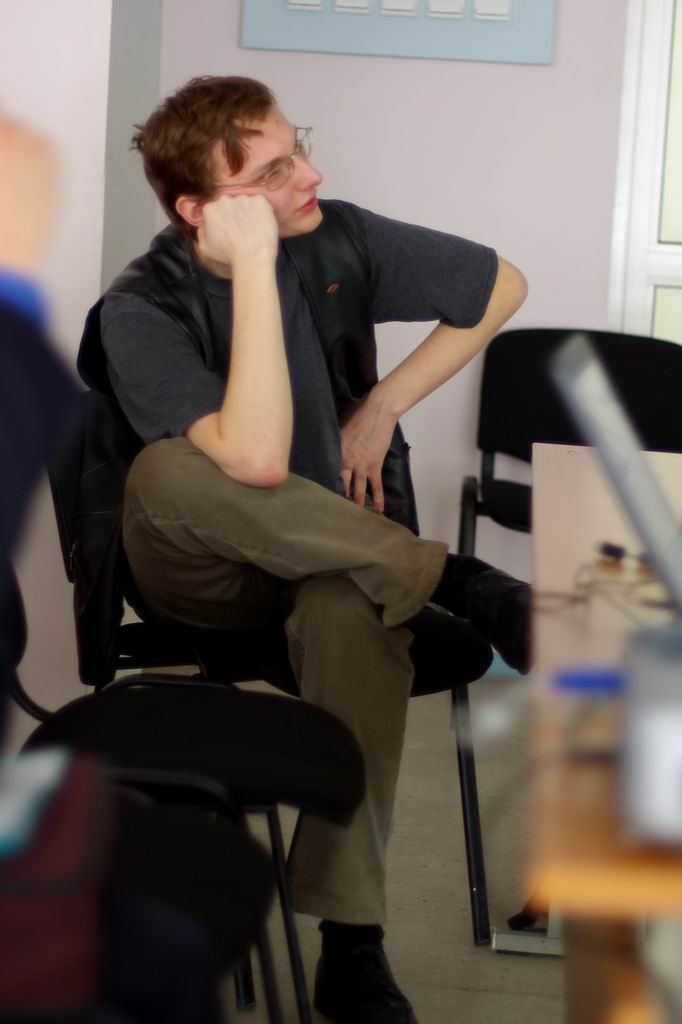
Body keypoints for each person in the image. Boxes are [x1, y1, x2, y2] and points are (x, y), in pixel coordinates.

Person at [83, 75, 530, 1024]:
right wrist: (252, 267)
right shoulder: (139, 309)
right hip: (206, 577)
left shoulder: (338, 236)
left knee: (349, 612)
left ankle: (352, 945)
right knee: (168, 470)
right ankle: (459, 580)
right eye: (276, 170)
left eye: (302, 149)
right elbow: (249, 462)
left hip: (329, 560)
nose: (312, 175)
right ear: (200, 209)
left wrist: (383, 404)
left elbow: (501, 285)